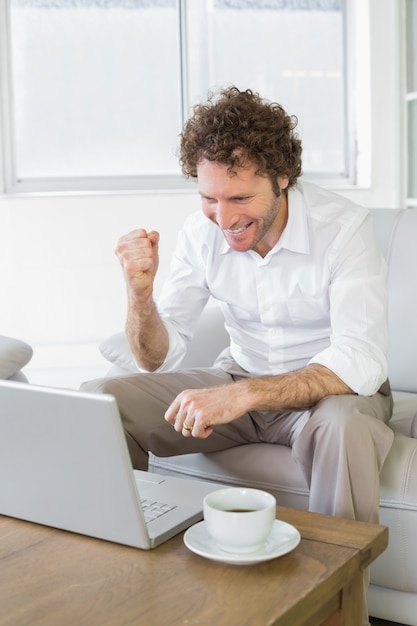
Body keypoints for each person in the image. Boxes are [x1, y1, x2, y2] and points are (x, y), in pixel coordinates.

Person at [82, 87, 393, 625]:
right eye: (209, 198)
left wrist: (245, 393)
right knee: (100, 401)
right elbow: (157, 356)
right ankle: (127, 589)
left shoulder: (344, 228)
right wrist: (139, 295)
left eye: (240, 199)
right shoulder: (203, 232)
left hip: (332, 395)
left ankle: (341, 613)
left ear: (282, 178)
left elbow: (360, 356)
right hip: (238, 378)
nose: (222, 218)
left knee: (342, 428)